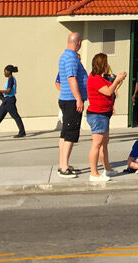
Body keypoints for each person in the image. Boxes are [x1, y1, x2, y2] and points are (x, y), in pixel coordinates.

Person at [85, 53, 126, 183]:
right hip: (97, 114)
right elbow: (108, 91)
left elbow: (111, 90)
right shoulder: (94, 78)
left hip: (104, 113)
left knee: (104, 143)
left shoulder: (101, 78)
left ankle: (107, 168)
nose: (108, 65)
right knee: (97, 144)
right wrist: (116, 80)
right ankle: (93, 173)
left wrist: (118, 81)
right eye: (106, 63)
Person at [54, 31, 86, 178]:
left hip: (66, 99)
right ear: (78, 43)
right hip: (71, 100)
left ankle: (62, 163)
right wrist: (79, 98)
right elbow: (71, 78)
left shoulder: (64, 56)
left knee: (65, 133)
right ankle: (64, 167)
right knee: (71, 134)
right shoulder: (72, 58)